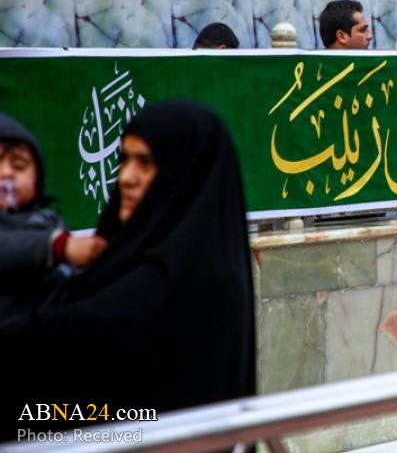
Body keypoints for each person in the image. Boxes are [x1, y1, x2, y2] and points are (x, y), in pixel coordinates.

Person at [0, 101, 255, 435]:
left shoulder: (180, 281)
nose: (126, 178)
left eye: (145, 163)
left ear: (182, 173)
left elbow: (66, 343)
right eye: (124, 160)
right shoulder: (137, 256)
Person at [0, 113, 106, 317]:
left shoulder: (47, 220)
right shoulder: (55, 241)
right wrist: (59, 246)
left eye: (19, 165)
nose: (7, 174)